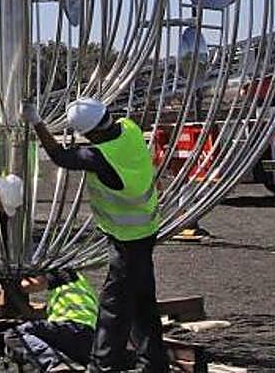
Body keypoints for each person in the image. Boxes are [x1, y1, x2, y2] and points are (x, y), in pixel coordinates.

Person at [25, 99, 166, 373]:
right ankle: (153, 363)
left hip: (128, 238)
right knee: (141, 299)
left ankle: (103, 365)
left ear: (91, 133)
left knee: (114, 305)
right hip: (147, 227)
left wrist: (36, 122)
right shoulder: (129, 127)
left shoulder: (99, 156)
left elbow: (59, 156)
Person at [2, 268, 98, 371]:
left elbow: (29, 286)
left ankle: (57, 363)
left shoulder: (64, 272)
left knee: (15, 334)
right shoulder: (76, 292)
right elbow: (31, 314)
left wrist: (8, 282)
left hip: (71, 328)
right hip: (88, 339)